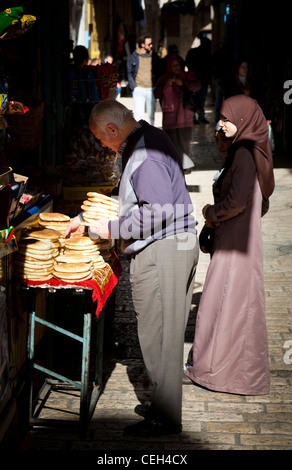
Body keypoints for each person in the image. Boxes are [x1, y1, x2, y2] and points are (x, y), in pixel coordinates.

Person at [65, 99, 199, 436]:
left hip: (166, 247)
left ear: (113, 129)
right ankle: (163, 404)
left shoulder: (145, 154)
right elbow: (135, 200)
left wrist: (109, 229)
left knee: (161, 335)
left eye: (100, 138)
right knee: (155, 330)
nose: (101, 144)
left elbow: (156, 212)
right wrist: (86, 218)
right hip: (166, 245)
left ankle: (166, 418)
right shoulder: (147, 139)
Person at [183, 95, 275, 395]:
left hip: (236, 241)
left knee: (225, 303)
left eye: (225, 118)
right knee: (233, 304)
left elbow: (236, 201)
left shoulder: (245, 155)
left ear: (244, 120)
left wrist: (211, 213)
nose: (220, 124)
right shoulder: (248, 150)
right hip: (237, 238)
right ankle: (230, 371)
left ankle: (218, 372)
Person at [154, 55, 201, 172]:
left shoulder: (186, 77)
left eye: (178, 65)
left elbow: (197, 86)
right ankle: (177, 165)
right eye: (173, 66)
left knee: (185, 142)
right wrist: (167, 85)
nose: (176, 68)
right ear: (169, 67)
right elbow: (156, 94)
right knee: (172, 143)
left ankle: (186, 166)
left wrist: (183, 83)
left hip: (186, 118)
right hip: (171, 119)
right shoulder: (164, 79)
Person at [126, 34, 162, 125]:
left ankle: (151, 134)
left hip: (151, 89)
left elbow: (159, 71)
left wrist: (156, 85)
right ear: (142, 45)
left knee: (151, 115)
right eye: (149, 44)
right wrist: (134, 87)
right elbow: (129, 72)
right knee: (139, 115)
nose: (151, 46)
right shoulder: (133, 57)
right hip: (139, 89)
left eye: (151, 44)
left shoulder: (154, 57)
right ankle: (140, 135)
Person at [185, 36, 212, 124]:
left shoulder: (193, 52)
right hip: (200, 80)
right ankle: (200, 116)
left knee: (194, 98)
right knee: (200, 99)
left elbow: (187, 62)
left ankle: (194, 117)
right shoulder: (207, 53)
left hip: (194, 79)